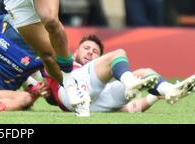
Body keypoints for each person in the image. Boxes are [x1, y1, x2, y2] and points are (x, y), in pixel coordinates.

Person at [44, 35, 195, 113]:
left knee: (145, 72)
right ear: (75, 52)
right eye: (86, 48)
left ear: (100, 60)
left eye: (95, 51)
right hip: (71, 94)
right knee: (119, 53)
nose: (90, 52)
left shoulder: (100, 84)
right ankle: (129, 82)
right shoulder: (65, 62)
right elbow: (43, 65)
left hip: (91, 103)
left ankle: (169, 90)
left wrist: (154, 96)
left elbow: (131, 109)